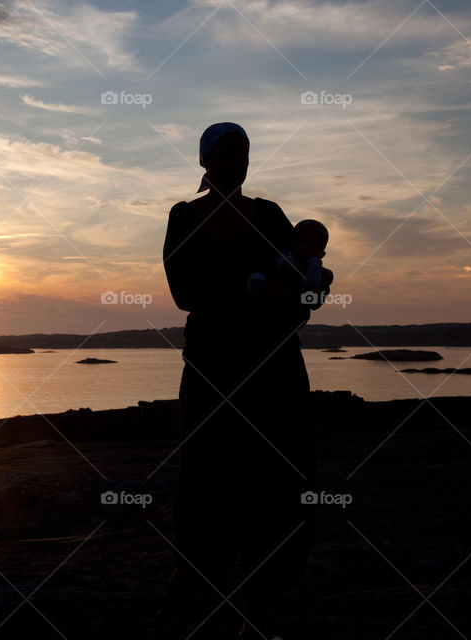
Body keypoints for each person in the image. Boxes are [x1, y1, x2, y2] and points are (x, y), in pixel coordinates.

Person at [162, 122, 323, 638]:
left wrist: (303, 294)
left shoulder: (271, 214)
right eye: (228, 152)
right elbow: (185, 291)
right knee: (206, 470)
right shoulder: (185, 216)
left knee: (279, 468)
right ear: (205, 161)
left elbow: (298, 276)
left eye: (245, 152)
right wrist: (246, 297)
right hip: (215, 364)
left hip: (274, 362)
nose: (238, 160)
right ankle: (195, 575)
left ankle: (269, 580)